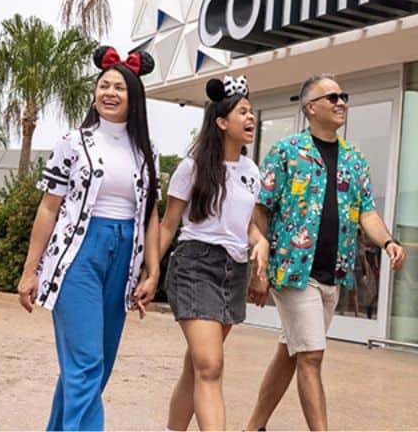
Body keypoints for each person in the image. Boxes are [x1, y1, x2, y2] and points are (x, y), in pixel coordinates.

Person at [245, 73, 407, 432]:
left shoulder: (354, 159)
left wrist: (388, 242)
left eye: (343, 96)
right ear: (311, 107)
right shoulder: (286, 152)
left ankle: (253, 426)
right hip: (293, 272)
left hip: (333, 274)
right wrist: (259, 262)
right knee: (312, 356)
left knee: (292, 353)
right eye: (331, 97)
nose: (341, 102)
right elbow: (260, 211)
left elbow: (367, 211)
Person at [16, 46, 162, 431]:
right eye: (103, 85)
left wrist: (153, 270)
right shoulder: (72, 142)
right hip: (77, 256)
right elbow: (48, 208)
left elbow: (150, 215)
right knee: (86, 364)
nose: (109, 93)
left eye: (119, 87)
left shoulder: (148, 151)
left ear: (135, 97)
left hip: (124, 256)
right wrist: (30, 272)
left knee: (94, 369)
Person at [155, 75, 264, 432]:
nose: (251, 119)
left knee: (197, 366)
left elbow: (244, 225)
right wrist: (150, 273)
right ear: (221, 122)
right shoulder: (192, 168)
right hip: (195, 265)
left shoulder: (251, 171)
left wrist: (259, 241)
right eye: (243, 112)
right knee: (211, 366)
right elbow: (169, 223)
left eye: (252, 112)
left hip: (233, 271)